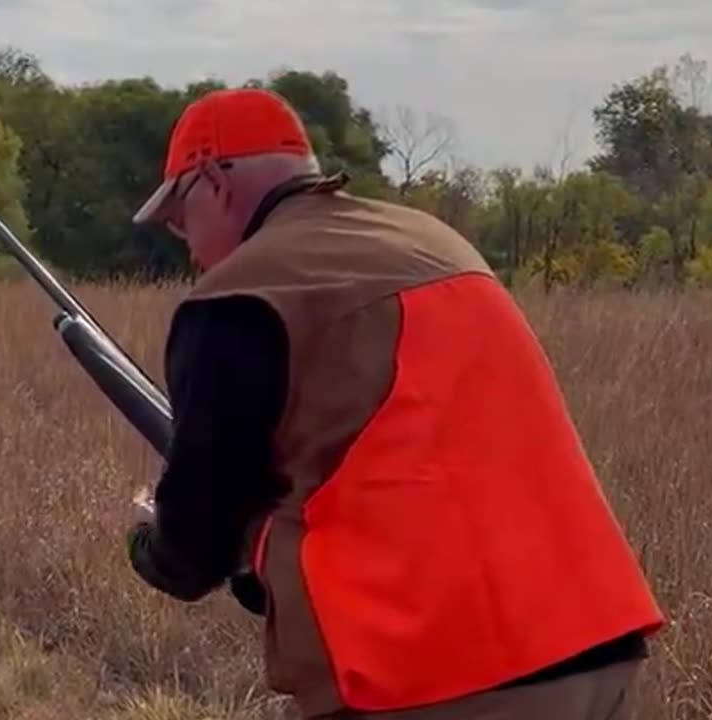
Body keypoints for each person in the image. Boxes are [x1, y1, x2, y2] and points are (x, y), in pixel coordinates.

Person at [124, 87, 665, 720]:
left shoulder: (238, 297)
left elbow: (195, 545)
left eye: (179, 216)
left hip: (436, 677)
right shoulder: (435, 244)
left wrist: (148, 538)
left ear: (212, 179)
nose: (184, 242)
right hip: (597, 648)